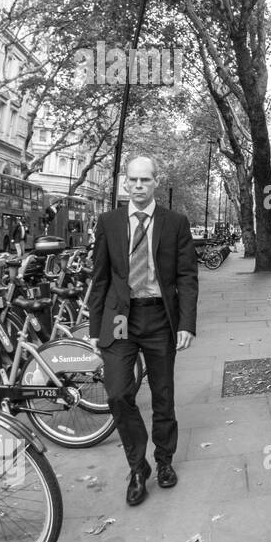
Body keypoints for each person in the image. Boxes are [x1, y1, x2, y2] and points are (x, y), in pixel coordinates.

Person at [89, 156, 199, 507]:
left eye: (145, 180)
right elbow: (101, 277)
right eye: (133, 180)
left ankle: (164, 460)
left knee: (163, 395)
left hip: (159, 318)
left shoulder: (175, 223)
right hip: (120, 319)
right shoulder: (108, 222)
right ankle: (138, 467)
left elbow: (187, 277)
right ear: (125, 183)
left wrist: (186, 323)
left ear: (155, 182)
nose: (138, 186)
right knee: (118, 394)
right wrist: (94, 328)